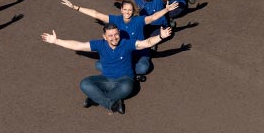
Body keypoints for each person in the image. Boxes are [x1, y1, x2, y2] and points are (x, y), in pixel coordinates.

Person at [41, 22, 175, 115]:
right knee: (85, 83)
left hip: (124, 80)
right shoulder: (99, 45)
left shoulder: (127, 44)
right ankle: (112, 103)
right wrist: (56, 41)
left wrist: (161, 36)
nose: (114, 37)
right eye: (110, 35)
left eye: (116, 34)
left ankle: (95, 98)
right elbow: (79, 46)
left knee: (127, 87)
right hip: (105, 79)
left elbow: (147, 43)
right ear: (104, 37)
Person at [59, 0, 179, 82]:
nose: (127, 12)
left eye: (130, 10)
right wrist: (75, 7)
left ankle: (128, 74)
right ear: (121, 10)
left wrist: (166, 10)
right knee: (99, 65)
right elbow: (96, 14)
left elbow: (153, 17)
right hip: (121, 54)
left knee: (143, 68)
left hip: (139, 52)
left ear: (133, 11)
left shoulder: (139, 20)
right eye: (125, 9)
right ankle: (129, 75)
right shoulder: (115, 19)